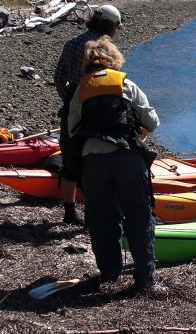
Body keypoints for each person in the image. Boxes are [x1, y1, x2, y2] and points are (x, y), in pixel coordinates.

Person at [67, 38, 162, 294]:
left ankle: (110, 274)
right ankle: (145, 281)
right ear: (114, 59)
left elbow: (72, 129)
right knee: (140, 218)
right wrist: (139, 132)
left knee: (101, 219)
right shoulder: (124, 83)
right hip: (127, 158)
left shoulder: (81, 89)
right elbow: (153, 122)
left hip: (94, 164)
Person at [52, 4, 123, 225]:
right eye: (116, 27)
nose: (117, 31)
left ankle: (69, 211)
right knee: (96, 158)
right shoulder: (105, 48)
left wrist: (69, 100)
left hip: (72, 98)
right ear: (109, 25)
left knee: (70, 157)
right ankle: (98, 211)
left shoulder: (71, 43)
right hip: (98, 103)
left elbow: (58, 77)